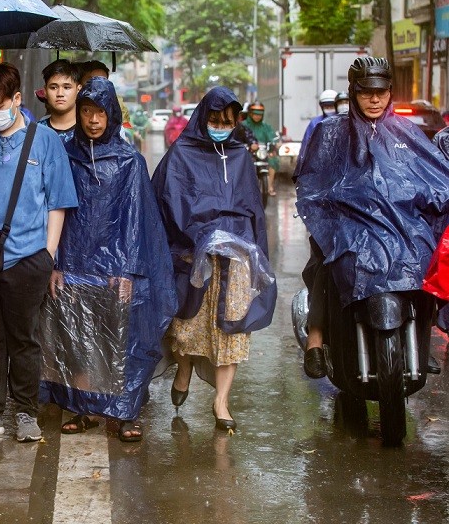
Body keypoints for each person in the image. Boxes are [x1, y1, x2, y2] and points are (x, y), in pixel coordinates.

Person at [38, 77, 177, 442]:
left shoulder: (130, 161)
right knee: (78, 338)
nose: (93, 119)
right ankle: (83, 408)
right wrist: (56, 263)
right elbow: (58, 211)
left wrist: (129, 269)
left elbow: (137, 218)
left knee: (123, 343)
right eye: (86, 111)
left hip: (116, 270)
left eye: (100, 111)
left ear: (111, 113)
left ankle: (126, 412)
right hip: (75, 265)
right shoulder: (65, 155)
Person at [295, 57, 449, 378]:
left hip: (400, 226)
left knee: (428, 256)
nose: (375, 99)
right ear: (354, 92)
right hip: (347, 223)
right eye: (367, 92)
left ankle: (420, 337)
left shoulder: (406, 132)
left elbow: (434, 177)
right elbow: (312, 180)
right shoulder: (330, 131)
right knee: (328, 257)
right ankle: (316, 339)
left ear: (390, 92)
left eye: (381, 92)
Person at [0, 63, 78, 442]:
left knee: (24, 339)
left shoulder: (43, 140)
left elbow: (58, 202)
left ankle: (25, 413)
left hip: (28, 256)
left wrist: (48, 254)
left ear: (18, 99)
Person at [152, 87, 277, 432]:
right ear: (203, 117)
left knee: (232, 327)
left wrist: (257, 257)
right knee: (186, 325)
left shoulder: (240, 156)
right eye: (215, 120)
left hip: (236, 258)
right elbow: (166, 200)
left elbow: (254, 207)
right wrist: (196, 237)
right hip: (195, 254)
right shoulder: (182, 154)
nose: (221, 126)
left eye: (227, 121)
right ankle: (185, 366)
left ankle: (221, 402)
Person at [38, 59, 81, 144]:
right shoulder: (35, 131)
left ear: (78, 90)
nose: (60, 94)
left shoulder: (89, 130)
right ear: (45, 91)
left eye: (67, 87)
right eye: (53, 87)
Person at [243, 101, 279, 196]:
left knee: (273, 160)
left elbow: (273, 138)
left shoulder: (266, 127)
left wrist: (274, 147)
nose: (257, 116)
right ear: (250, 113)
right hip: (247, 153)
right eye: (255, 114)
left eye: (259, 114)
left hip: (262, 153)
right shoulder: (243, 125)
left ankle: (269, 186)